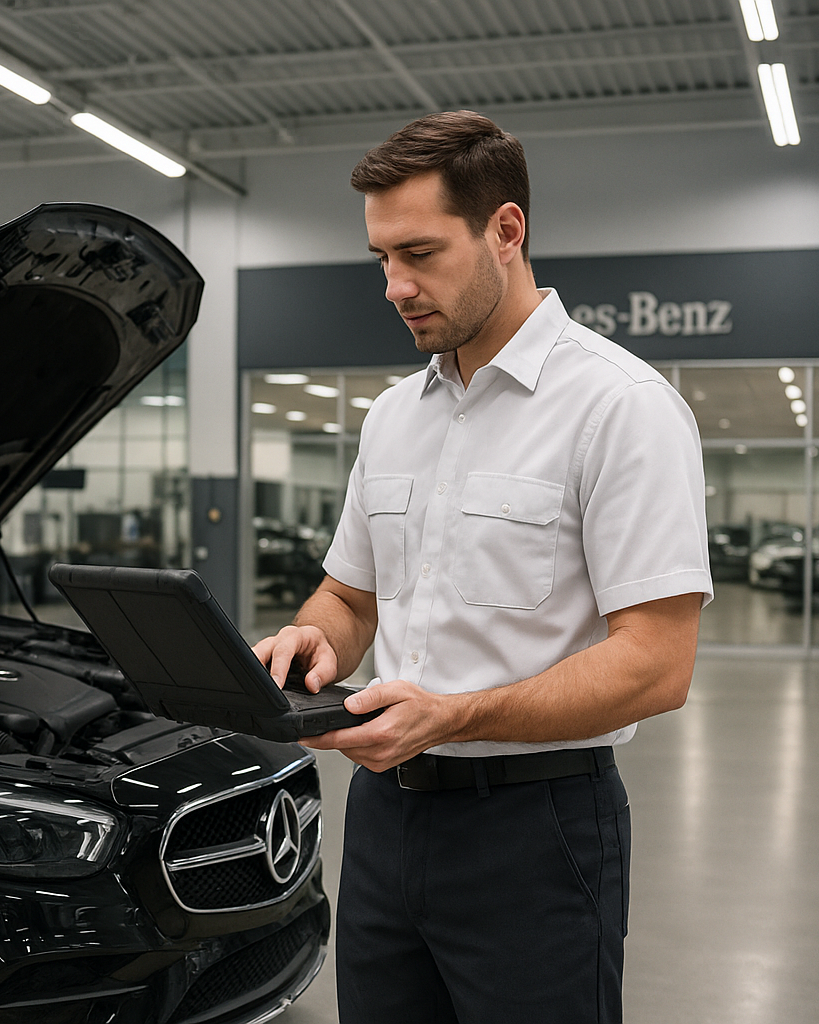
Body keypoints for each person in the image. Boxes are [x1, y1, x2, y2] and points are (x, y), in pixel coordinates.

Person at [252, 110, 711, 1024]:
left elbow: (658, 665)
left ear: (506, 230)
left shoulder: (620, 407)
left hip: (538, 830)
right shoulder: (392, 416)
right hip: (384, 822)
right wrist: (315, 637)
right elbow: (350, 594)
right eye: (381, 258)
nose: (394, 286)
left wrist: (453, 717)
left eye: (419, 253)